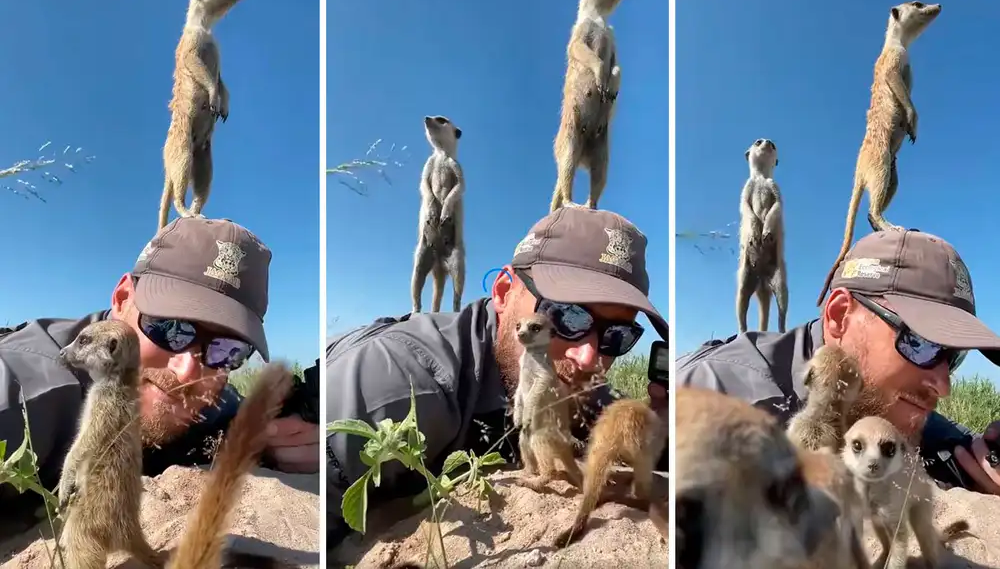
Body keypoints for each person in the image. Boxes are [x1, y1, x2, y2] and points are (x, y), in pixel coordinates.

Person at [325, 206, 669, 547]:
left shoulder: (573, 377)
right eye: (569, 316)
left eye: (617, 336)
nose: (589, 357)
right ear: (504, 293)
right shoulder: (405, 386)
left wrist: (661, 430)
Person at [0, 217, 320, 516]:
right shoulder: (29, 393)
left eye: (228, 350)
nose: (188, 373)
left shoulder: (212, 400)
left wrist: (279, 440)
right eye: (170, 329)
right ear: (123, 298)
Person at [677, 228, 1000, 494]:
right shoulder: (725, 396)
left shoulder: (887, 401)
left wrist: (986, 462)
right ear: (839, 315)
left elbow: (961, 446)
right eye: (921, 344)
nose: (943, 387)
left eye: (953, 355)